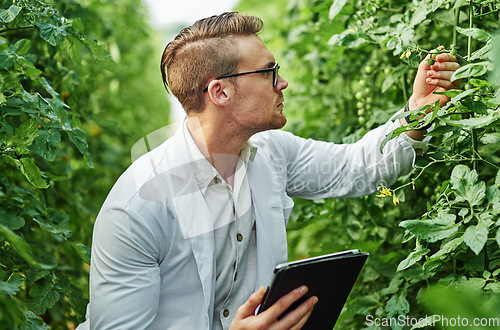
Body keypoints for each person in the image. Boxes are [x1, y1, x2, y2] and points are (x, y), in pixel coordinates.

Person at [77, 12, 460, 330]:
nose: (283, 83)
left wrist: (417, 112)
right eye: (268, 72)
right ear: (220, 93)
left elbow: (356, 166)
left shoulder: (271, 153)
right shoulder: (136, 210)